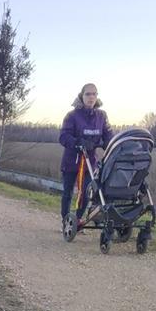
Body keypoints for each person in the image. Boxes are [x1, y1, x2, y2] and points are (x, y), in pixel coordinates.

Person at [58, 83, 113, 229]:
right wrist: (77, 142)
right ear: (82, 96)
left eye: (94, 94)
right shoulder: (72, 116)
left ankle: (78, 220)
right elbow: (63, 136)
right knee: (68, 193)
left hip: (90, 162)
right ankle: (66, 222)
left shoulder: (101, 116)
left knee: (87, 192)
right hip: (72, 161)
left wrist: (109, 144)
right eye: (88, 94)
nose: (91, 97)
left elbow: (108, 135)